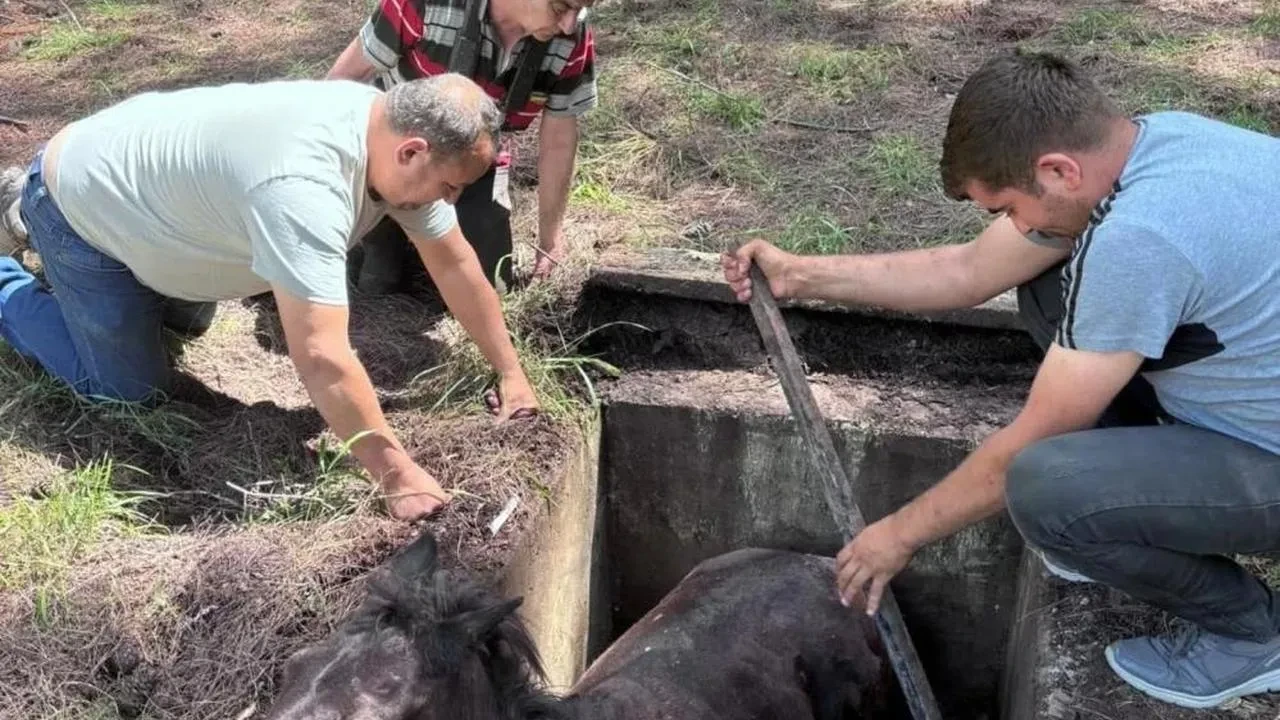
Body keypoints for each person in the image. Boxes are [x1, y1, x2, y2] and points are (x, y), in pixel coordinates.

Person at [723, 49, 1280, 710]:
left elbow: (1027, 448)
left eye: (1011, 209)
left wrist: (896, 535)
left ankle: (1250, 636)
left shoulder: (1139, 239)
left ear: (1057, 170)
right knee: (1047, 284)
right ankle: (1120, 511)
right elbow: (967, 272)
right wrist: (800, 274)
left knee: (1045, 489)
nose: (1016, 228)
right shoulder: (1154, 144)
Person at [0, 73, 541, 522]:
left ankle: (48, 237)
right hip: (80, 204)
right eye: (449, 187)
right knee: (125, 392)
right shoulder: (303, 185)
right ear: (412, 151)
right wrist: (395, 475)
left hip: (146, 200)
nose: (450, 201)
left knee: (186, 325)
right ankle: (18, 248)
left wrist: (510, 370)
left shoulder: (385, 129)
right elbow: (322, 355)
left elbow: (454, 262)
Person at [327, 0, 597, 292]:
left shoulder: (571, 39)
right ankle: (381, 236)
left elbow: (558, 143)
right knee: (377, 283)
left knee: (491, 284)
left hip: (473, 165)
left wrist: (550, 242)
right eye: (562, 7)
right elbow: (342, 82)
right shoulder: (424, 5)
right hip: (396, 157)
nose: (570, 24)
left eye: (581, 8)